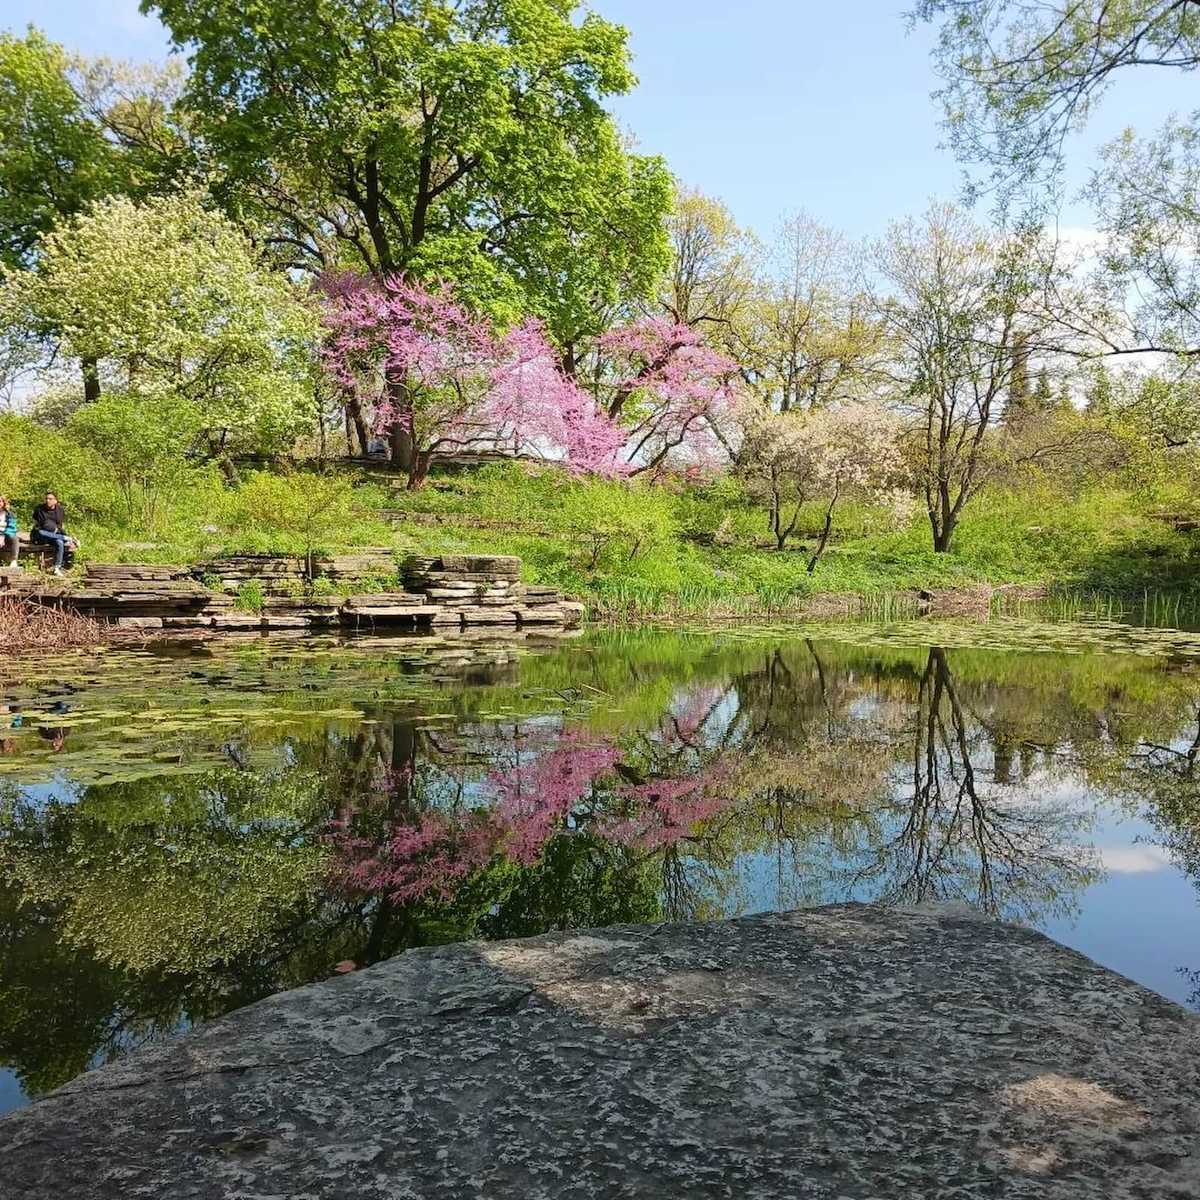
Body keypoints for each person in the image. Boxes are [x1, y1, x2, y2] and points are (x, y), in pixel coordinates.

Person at [30, 492, 76, 575]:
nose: (48, 500)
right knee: (41, 532)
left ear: (55, 501)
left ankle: (57, 567)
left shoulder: (60, 510)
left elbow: (60, 525)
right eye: (46, 499)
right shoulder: (39, 509)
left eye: (50, 499)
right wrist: (54, 529)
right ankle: (66, 538)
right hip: (41, 536)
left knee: (59, 542)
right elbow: (43, 525)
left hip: (54, 535)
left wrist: (57, 531)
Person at [0, 496, 19, 569]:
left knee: (14, 539)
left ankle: (14, 560)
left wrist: (2, 535)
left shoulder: (9, 514)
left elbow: (12, 527)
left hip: (6, 535)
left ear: (3, 503)